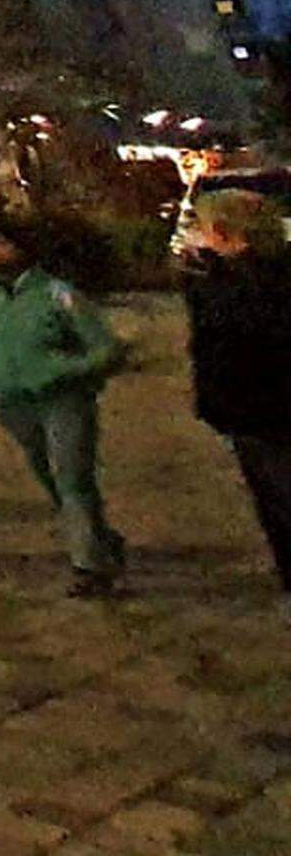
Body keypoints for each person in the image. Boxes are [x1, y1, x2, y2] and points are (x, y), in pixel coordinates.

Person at [0, 223, 129, 597]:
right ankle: (98, 538)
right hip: (14, 400)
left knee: (72, 476)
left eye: (1, 242)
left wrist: (66, 369)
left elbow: (105, 347)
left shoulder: (55, 293)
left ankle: (89, 565)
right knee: (47, 473)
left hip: (64, 398)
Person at [179, 188, 291, 590]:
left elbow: (229, 341)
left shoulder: (243, 283)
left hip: (260, 407)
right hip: (250, 407)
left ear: (224, 231)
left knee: (278, 498)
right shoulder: (245, 275)